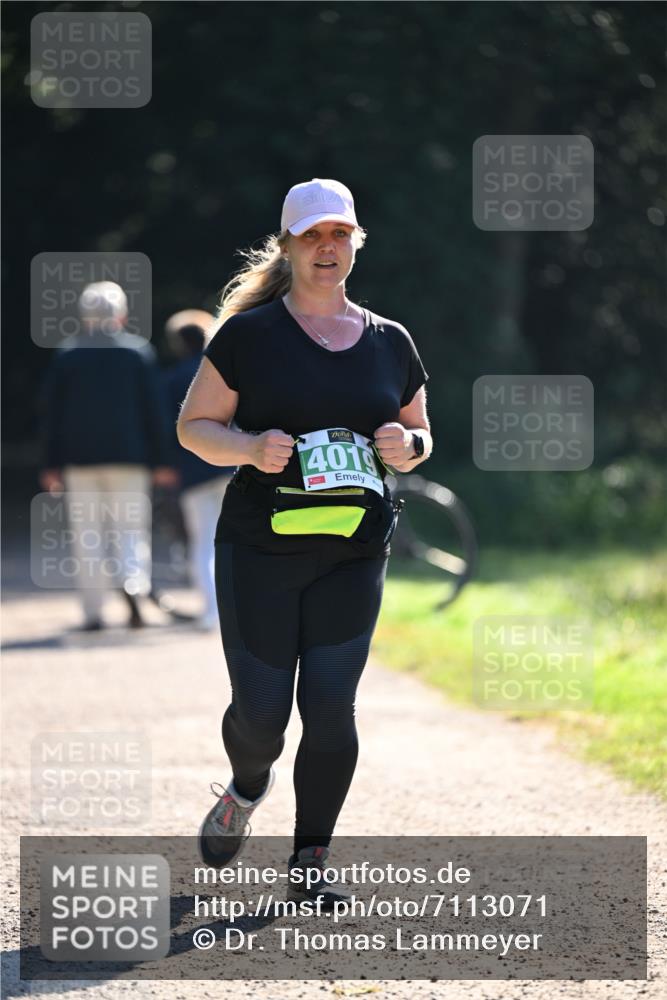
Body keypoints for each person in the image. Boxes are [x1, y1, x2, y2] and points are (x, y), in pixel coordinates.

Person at [177, 178, 432, 906]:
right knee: (262, 719)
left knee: (330, 707)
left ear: (355, 243)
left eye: (340, 234)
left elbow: (420, 432)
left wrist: (406, 443)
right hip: (260, 548)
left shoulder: (390, 340)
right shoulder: (249, 336)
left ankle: (309, 860)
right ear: (287, 246)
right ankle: (245, 785)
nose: (328, 247)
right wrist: (250, 447)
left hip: (354, 548)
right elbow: (193, 428)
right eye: (313, 235)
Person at [40, 281, 178, 630]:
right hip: (130, 460)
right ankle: (133, 585)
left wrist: (50, 464)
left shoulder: (67, 355)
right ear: (120, 315)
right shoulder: (137, 353)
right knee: (130, 529)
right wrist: (162, 461)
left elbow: (51, 416)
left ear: (84, 316)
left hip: (79, 461)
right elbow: (154, 412)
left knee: (88, 534)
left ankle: (93, 613)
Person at [163, 310, 235, 630]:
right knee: (231, 541)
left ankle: (211, 612)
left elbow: (166, 429)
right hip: (231, 465)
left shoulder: (172, 379)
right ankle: (233, 610)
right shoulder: (227, 374)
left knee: (202, 541)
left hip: (192, 473)